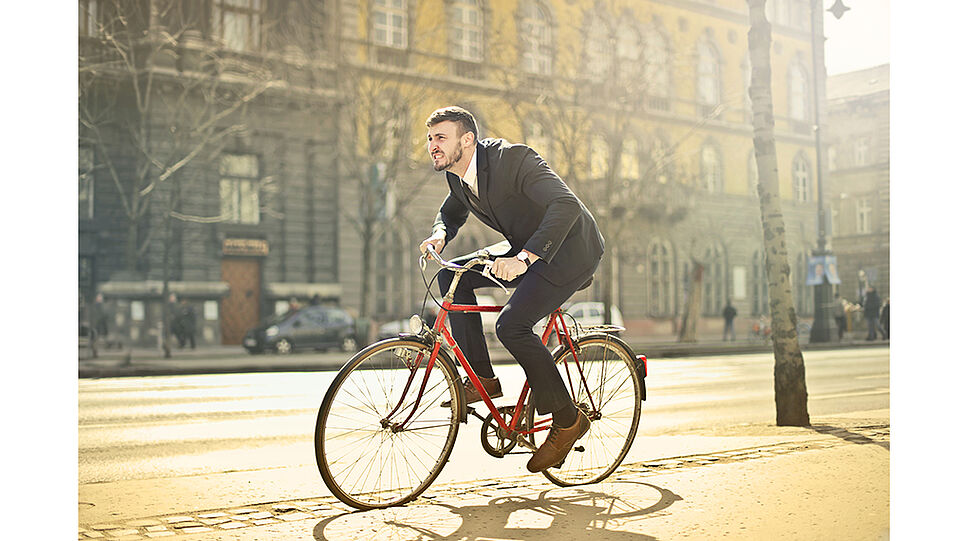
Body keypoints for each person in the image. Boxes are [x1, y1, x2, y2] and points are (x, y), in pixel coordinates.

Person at [419, 106, 605, 473]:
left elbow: (565, 205)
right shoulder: (459, 174)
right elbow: (452, 211)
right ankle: (483, 380)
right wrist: (441, 234)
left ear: (467, 139)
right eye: (429, 138)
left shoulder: (513, 159)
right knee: (454, 276)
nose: (432, 146)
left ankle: (567, 421)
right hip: (524, 246)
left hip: (570, 250)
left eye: (441, 137)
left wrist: (526, 258)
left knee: (512, 326)